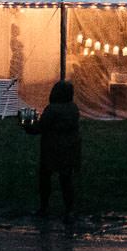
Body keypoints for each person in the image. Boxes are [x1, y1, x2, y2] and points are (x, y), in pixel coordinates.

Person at [21, 80, 81, 224]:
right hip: (70, 148)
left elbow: (41, 128)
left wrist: (27, 125)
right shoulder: (73, 108)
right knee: (66, 180)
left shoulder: (52, 109)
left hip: (52, 148)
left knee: (45, 178)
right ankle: (69, 210)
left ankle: (44, 208)